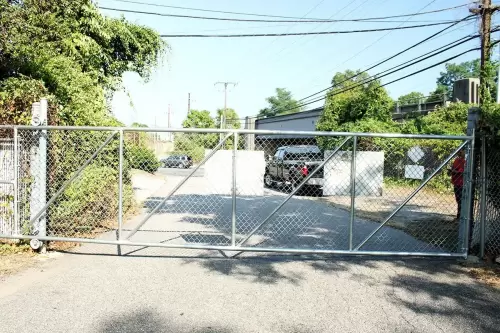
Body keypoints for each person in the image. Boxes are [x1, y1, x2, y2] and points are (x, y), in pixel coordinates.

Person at [450, 150, 466, 222]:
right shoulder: (456, 160)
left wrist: (455, 171)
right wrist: (451, 171)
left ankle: (461, 216)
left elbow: (463, 172)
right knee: (458, 199)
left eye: (461, 152)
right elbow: (453, 168)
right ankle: (459, 216)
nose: (459, 153)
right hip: (456, 182)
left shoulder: (465, 161)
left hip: (462, 183)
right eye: (459, 152)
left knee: (461, 200)